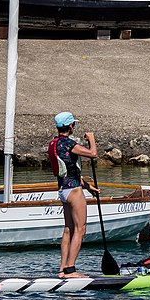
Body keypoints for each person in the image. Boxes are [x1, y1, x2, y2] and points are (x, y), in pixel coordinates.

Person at [48, 111, 98, 278]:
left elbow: (69, 170)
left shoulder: (54, 143)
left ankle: (62, 270)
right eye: (73, 124)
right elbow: (93, 154)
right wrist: (91, 139)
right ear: (70, 126)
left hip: (63, 191)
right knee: (80, 229)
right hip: (74, 192)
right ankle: (71, 270)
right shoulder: (69, 144)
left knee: (68, 230)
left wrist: (88, 187)